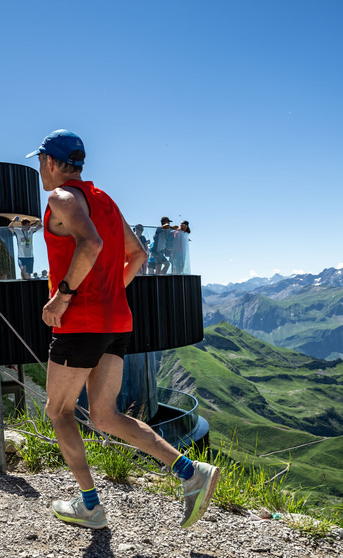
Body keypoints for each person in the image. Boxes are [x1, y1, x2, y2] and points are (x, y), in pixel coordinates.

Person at [26, 129, 220, 530]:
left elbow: (91, 244)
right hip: (117, 322)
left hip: (80, 324)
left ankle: (90, 506)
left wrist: (64, 295)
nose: (39, 169)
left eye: (39, 161)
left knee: (59, 411)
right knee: (106, 415)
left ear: (49, 161)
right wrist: (107, 293)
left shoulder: (61, 198)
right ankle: (190, 472)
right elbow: (139, 254)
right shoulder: (105, 201)